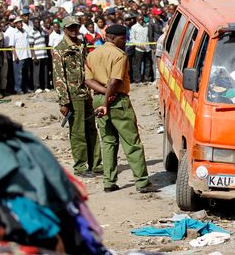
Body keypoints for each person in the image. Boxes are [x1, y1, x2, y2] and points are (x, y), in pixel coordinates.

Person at [84, 24, 155, 193]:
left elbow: (88, 80)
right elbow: (115, 81)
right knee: (132, 142)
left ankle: (109, 182)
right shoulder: (119, 55)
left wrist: (102, 95)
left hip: (99, 98)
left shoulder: (92, 54)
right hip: (116, 102)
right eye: (123, 38)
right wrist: (107, 102)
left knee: (108, 142)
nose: (125, 42)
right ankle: (142, 182)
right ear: (114, 38)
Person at [52, 16, 102, 178]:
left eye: (76, 27)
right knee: (78, 132)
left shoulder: (82, 45)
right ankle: (80, 166)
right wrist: (64, 101)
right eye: (70, 27)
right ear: (64, 29)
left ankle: (96, 164)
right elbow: (59, 77)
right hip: (73, 96)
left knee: (91, 130)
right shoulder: (60, 49)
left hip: (86, 93)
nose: (74, 30)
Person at [9, 18, 32, 94]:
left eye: (21, 23)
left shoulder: (25, 31)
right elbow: (12, 46)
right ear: (15, 24)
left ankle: (26, 88)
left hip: (26, 55)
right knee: (18, 75)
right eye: (18, 23)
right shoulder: (14, 33)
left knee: (26, 74)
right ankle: (18, 89)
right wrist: (15, 55)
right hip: (19, 57)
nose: (20, 24)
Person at [130, 13, 153, 82]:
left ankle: (147, 79)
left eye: (142, 20)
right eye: (139, 20)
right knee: (138, 65)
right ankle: (137, 79)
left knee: (148, 64)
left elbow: (149, 36)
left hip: (147, 48)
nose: (141, 21)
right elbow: (132, 39)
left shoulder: (147, 26)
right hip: (139, 49)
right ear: (137, 20)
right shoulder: (134, 27)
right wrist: (139, 44)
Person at [29, 18, 50, 92]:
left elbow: (48, 34)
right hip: (37, 55)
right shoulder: (31, 32)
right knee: (37, 72)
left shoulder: (42, 31)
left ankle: (45, 86)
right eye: (35, 23)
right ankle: (37, 87)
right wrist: (33, 56)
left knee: (44, 71)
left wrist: (43, 28)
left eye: (38, 22)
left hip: (44, 54)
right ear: (33, 24)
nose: (37, 24)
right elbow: (31, 45)